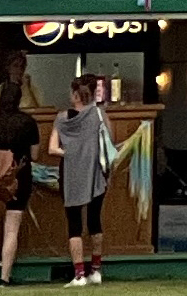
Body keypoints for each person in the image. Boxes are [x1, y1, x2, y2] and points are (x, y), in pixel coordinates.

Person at [0, 71, 40, 288]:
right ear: (19, 98)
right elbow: (34, 155)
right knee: (12, 227)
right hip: (19, 177)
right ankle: (5, 276)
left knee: (0, 222)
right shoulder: (28, 122)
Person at [51, 75, 114, 288]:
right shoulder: (99, 114)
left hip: (71, 174)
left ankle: (79, 274)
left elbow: (52, 148)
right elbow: (109, 143)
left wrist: (70, 152)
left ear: (76, 95)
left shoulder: (62, 118)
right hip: (96, 173)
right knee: (95, 220)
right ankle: (96, 270)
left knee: (74, 224)